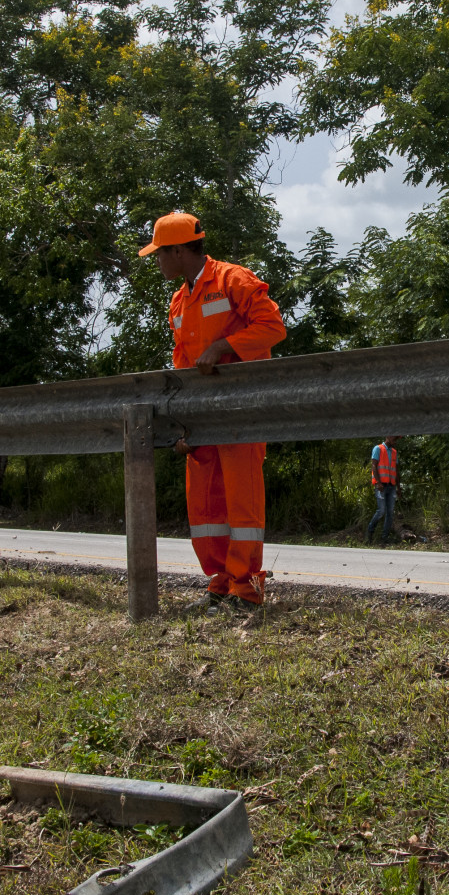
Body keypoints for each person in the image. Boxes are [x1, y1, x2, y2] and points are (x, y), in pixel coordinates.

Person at [141, 211, 286, 613]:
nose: (157, 261)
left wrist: (223, 347)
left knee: (242, 506)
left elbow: (273, 327)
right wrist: (182, 425)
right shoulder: (179, 300)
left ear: (179, 251)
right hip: (201, 421)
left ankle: (246, 590)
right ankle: (221, 584)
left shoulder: (231, 280)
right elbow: (183, 367)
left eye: (160, 253)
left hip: (240, 413)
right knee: (206, 509)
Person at [367, 435, 400, 543]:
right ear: (388, 436)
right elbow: (374, 466)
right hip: (381, 486)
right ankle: (370, 533)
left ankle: (384, 538)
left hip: (391, 486)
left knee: (390, 513)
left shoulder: (394, 452)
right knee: (381, 511)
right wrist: (378, 482)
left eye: (397, 438)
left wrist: (399, 487)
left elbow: (396, 471)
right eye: (395, 437)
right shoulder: (378, 448)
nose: (396, 440)